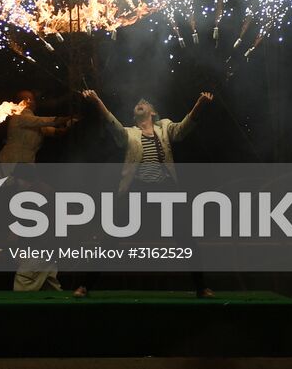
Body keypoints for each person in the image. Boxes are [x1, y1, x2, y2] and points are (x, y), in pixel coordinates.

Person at [82, 88, 215, 297]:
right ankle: (86, 285)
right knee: (111, 238)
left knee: (185, 238)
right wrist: (97, 100)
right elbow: (111, 122)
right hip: (137, 190)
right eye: (138, 102)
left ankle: (201, 287)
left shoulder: (164, 127)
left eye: (145, 102)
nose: (140, 102)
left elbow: (184, 128)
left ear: (153, 112)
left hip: (165, 189)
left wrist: (200, 104)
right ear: (136, 114)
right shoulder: (129, 133)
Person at [0, 90, 74, 292]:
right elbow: (43, 121)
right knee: (18, 205)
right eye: (25, 97)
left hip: (27, 171)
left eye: (31, 98)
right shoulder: (20, 116)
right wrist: (60, 118)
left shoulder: (33, 123)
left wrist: (71, 123)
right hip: (10, 167)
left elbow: (54, 130)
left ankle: (33, 244)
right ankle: (17, 238)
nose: (28, 100)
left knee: (35, 203)